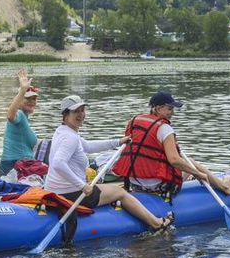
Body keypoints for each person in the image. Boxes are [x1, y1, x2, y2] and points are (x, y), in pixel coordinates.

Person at [44, 95, 175, 235]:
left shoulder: (62, 131)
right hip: (71, 193)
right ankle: (157, 223)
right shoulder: (70, 137)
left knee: (113, 187)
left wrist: (118, 142)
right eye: (76, 111)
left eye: (83, 110)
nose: (81, 115)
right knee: (120, 192)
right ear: (66, 114)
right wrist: (82, 186)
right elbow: (58, 163)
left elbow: (88, 146)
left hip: (55, 190)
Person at [113, 91, 230, 197]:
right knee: (190, 163)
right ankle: (225, 187)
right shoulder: (165, 128)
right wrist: (198, 174)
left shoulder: (134, 121)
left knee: (185, 165)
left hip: (134, 184)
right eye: (170, 109)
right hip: (156, 187)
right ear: (158, 108)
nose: (173, 113)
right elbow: (174, 160)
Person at [0, 70, 40, 175]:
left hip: (24, 164)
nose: (32, 101)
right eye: (28, 98)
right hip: (14, 165)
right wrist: (22, 90)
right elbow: (10, 116)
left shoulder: (25, 118)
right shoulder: (20, 114)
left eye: (34, 98)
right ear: (20, 100)